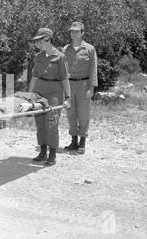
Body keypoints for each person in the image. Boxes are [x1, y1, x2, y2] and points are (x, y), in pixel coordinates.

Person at [28, 28, 71, 166]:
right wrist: (29, 95)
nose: (37, 44)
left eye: (39, 41)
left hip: (54, 92)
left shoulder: (60, 57)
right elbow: (34, 77)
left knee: (51, 123)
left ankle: (52, 154)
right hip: (39, 92)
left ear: (48, 39)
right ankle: (42, 151)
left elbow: (65, 79)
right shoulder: (38, 57)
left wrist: (68, 97)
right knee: (40, 122)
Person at [63, 21, 98, 154]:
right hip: (69, 85)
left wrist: (92, 88)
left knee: (83, 114)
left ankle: (82, 140)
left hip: (84, 85)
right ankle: (74, 140)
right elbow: (62, 69)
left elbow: (93, 69)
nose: (73, 33)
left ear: (82, 33)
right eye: (72, 31)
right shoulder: (65, 49)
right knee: (71, 113)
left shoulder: (89, 49)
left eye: (77, 31)